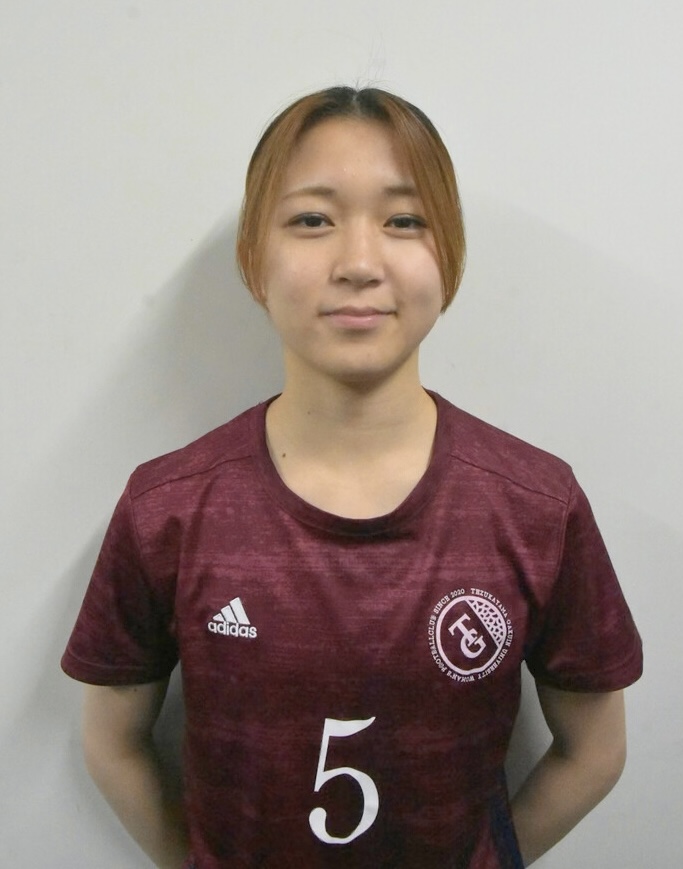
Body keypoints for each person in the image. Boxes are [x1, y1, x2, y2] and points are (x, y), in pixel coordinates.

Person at [62, 86, 642, 869]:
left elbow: (595, 749)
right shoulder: (168, 507)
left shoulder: (535, 505)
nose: (359, 263)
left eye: (404, 220)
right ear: (253, 258)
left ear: (449, 256)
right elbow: (111, 741)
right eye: (312, 219)